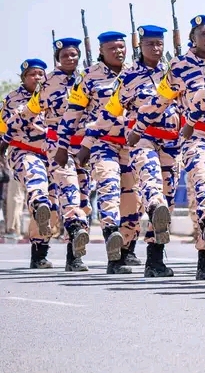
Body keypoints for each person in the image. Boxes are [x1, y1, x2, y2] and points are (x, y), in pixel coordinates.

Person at [135, 16, 205, 280]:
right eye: (204, 34)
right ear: (193, 37)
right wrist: (137, 128)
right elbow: (161, 99)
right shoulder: (179, 66)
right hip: (195, 136)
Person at [57, 31, 140, 274]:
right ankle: (113, 253)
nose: (118, 51)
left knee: (132, 202)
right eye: (112, 48)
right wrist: (63, 147)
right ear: (101, 51)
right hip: (101, 144)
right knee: (108, 190)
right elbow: (72, 112)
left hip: (131, 145)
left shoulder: (134, 72)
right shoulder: (88, 77)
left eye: (122, 47)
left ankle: (125, 249)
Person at [119, 25, 182, 277]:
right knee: (152, 187)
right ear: (140, 47)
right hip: (142, 139)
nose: (155, 48)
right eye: (150, 44)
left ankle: (155, 261)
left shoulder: (174, 72)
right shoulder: (128, 76)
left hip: (171, 143)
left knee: (167, 197)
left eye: (159, 44)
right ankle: (154, 209)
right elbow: (116, 108)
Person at [40, 38, 92, 271]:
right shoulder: (48, 81)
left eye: (74, 55)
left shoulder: (86, 78)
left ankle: (74, 256)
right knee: (69, 192)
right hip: (58, 146)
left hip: (83, 146)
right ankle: (74, 240)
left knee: (83, 198)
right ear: (57, 59)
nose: (70, 59)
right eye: (65, 56)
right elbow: (37, 108)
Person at [0, 58, 53, 268]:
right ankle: (39, 204)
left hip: (51, 155)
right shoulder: (13, 99)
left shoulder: (55, 96)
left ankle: (40, 253)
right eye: (32, 74)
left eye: (41, 74)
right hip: (24, 152)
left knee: (52, 207)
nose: (37, 78)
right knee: (37, 185)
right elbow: (9, 127)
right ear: (24, 78)